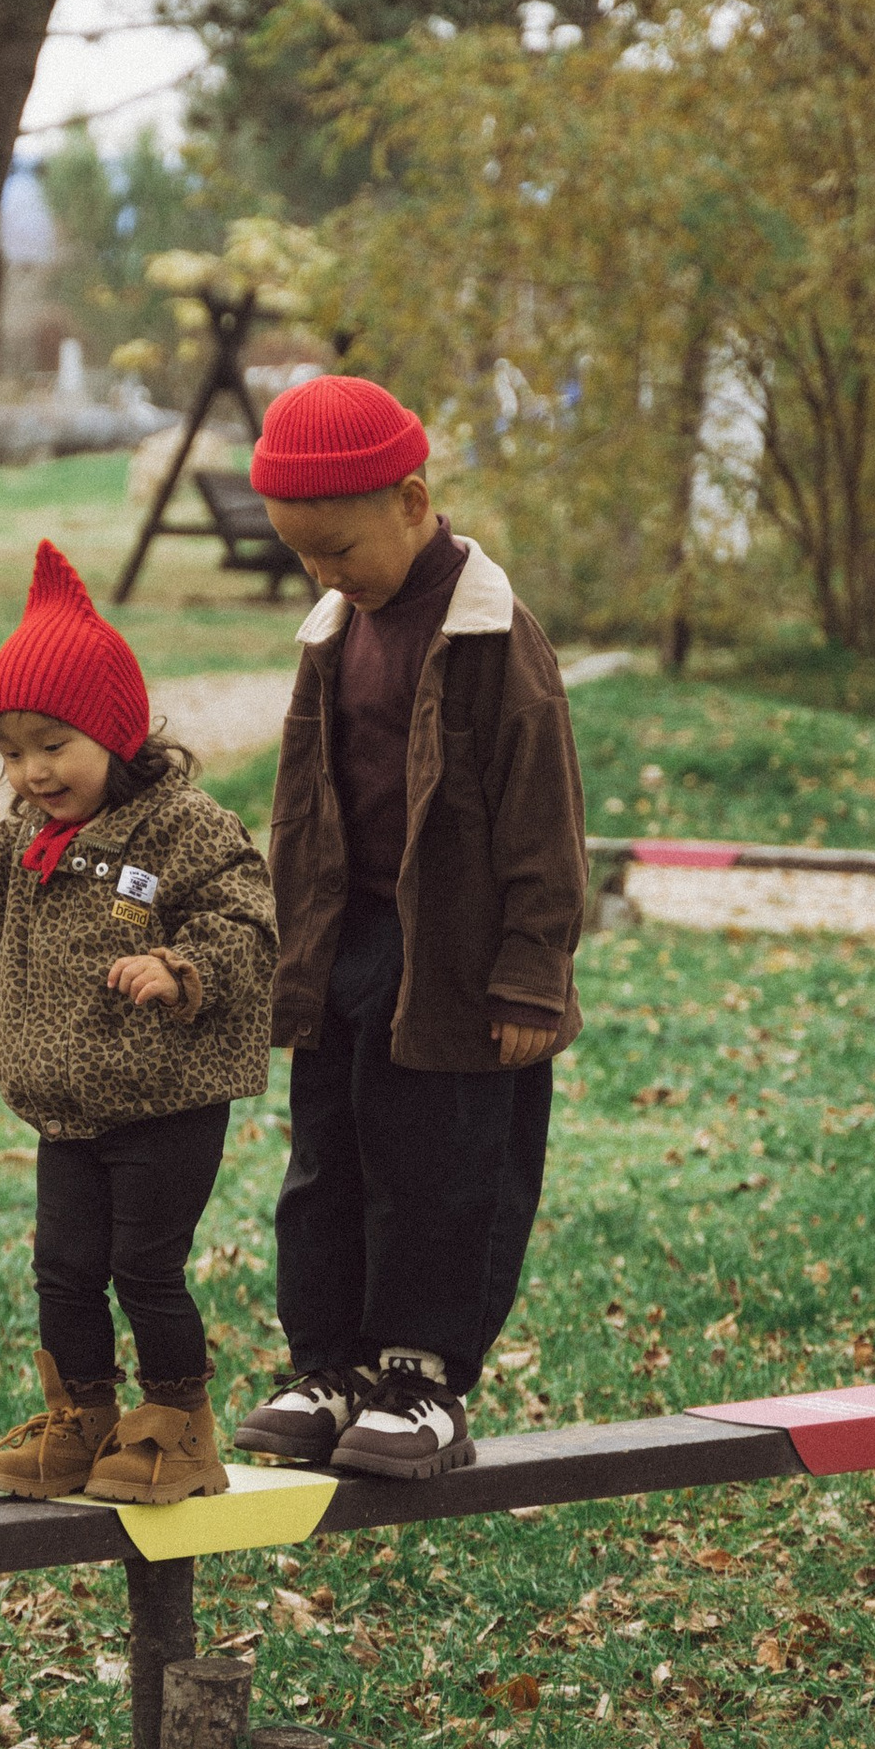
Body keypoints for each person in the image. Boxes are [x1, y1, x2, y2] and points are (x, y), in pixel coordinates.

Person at [233, 374, 585, 1483]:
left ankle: (421, 1377)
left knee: (442, 1169)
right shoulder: (334, 636)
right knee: (326, 1161)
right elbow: (300, 806)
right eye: (301, 556)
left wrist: (531, 978)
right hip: (347, 949)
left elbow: (543, 821)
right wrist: (287, 953)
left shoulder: (493, 639)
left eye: (335, 548)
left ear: (414, 503)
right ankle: (326, 1363)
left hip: (453, 966)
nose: (322, 575)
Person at [0, 542, 276, 1506]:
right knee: (62, 1269)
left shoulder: (183, 829)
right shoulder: (24, 837)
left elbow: (247, 918)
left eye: (54, 745)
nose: (31, 771)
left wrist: (179, 968)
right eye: (11, 752)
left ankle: (180, 1428)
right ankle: (84, 1418)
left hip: (164, 1104)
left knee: (143, 1267)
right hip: (66, 1109)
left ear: (116, 732)